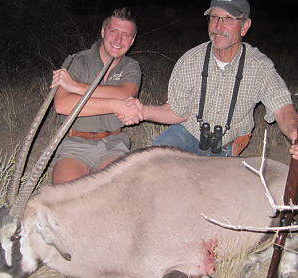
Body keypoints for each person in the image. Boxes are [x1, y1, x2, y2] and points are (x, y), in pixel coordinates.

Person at [118, 0, 298, 159]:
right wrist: (143, 110)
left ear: (244, 26)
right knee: (151, 162)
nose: (219, 27)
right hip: (188, 132)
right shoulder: (190, 60)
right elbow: (178, 111)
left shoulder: (259, 66)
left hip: (229, 143)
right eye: (214, 18)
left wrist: (295, 133)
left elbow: (282, 107)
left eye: (228, 19)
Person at [50, 7, 143, 185]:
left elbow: (125, 94)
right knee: (68, 200)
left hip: (113, 144)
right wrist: (116, 105)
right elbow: (62, 105)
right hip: (74, 144)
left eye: (125, 35)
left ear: (132, 41)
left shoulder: (132, 66)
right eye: (113, 31)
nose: (118, 40)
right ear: (103, 31)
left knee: (118, 195)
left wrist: (76, 87)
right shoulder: (76, 60)